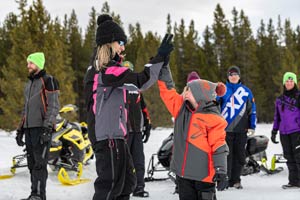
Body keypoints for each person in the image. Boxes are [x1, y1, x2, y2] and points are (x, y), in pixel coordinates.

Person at [91, 14, 173, 200]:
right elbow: (139, 80)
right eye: (120, 42)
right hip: (110, 140)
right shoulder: (109, 71)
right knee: (110, 189)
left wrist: (160, 63)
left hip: (119, 138)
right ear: (109, 44)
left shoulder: (113, 70)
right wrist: (159, 57)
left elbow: (139, 83)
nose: (123, 47)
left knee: (128, 183)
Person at [157, 63, 229, 200]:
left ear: (199, 94)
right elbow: (167, 91)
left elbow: (219, 146)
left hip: (204, 178)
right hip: (183, 176)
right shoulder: (180, 109)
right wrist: (164, 65)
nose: (185, 92)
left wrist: (221, 170)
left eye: (189, 90)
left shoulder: (213, 118)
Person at [16, 52, 60, 200]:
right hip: (29, 129)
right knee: (31, 164)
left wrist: (47, 128)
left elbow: (53, 106)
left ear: (39, 64)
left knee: (39, 165)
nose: (28, 66)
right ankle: (34, 194)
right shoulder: (29, 84)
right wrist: (20, 130)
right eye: (28, 62)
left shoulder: (49, 80)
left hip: (41, 129)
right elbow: (26, 109)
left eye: (31, 63)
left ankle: (39, 196)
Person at [217, 66, 256, 189]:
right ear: (228, 77)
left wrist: (252, 125)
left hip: (241, 130)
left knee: (239, 156)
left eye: (235, 74)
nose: (233, 76)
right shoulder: (222, 90)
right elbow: (215, 108)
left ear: (239, 76)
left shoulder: (246, 91)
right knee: (226, 156)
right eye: (231, 74)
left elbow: (252, 110)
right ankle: (226, 180)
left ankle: (236, 180)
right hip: (225, 130)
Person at [124, 61, 152, 197]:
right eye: (125, 70)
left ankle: (139, 187)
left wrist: (148, 124)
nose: (128, 72)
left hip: (137, 129)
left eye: (130, 70)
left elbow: (143, 108)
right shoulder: (118, 87)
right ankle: (123, 187)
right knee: (124, 161)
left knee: (139, 160)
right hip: (124, 131)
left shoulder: (137, 88)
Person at [271, 72, 300, 189]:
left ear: (295, 82)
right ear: (284, 83)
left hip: (296, 131)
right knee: (289, 156)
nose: (289, 83)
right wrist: (274, 131)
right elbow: (277, 117)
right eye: (287, 81)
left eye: (291, 81)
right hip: (284, 133)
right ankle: (293, 182)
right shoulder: (280, 99)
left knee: (298, 157)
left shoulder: (299, 96)